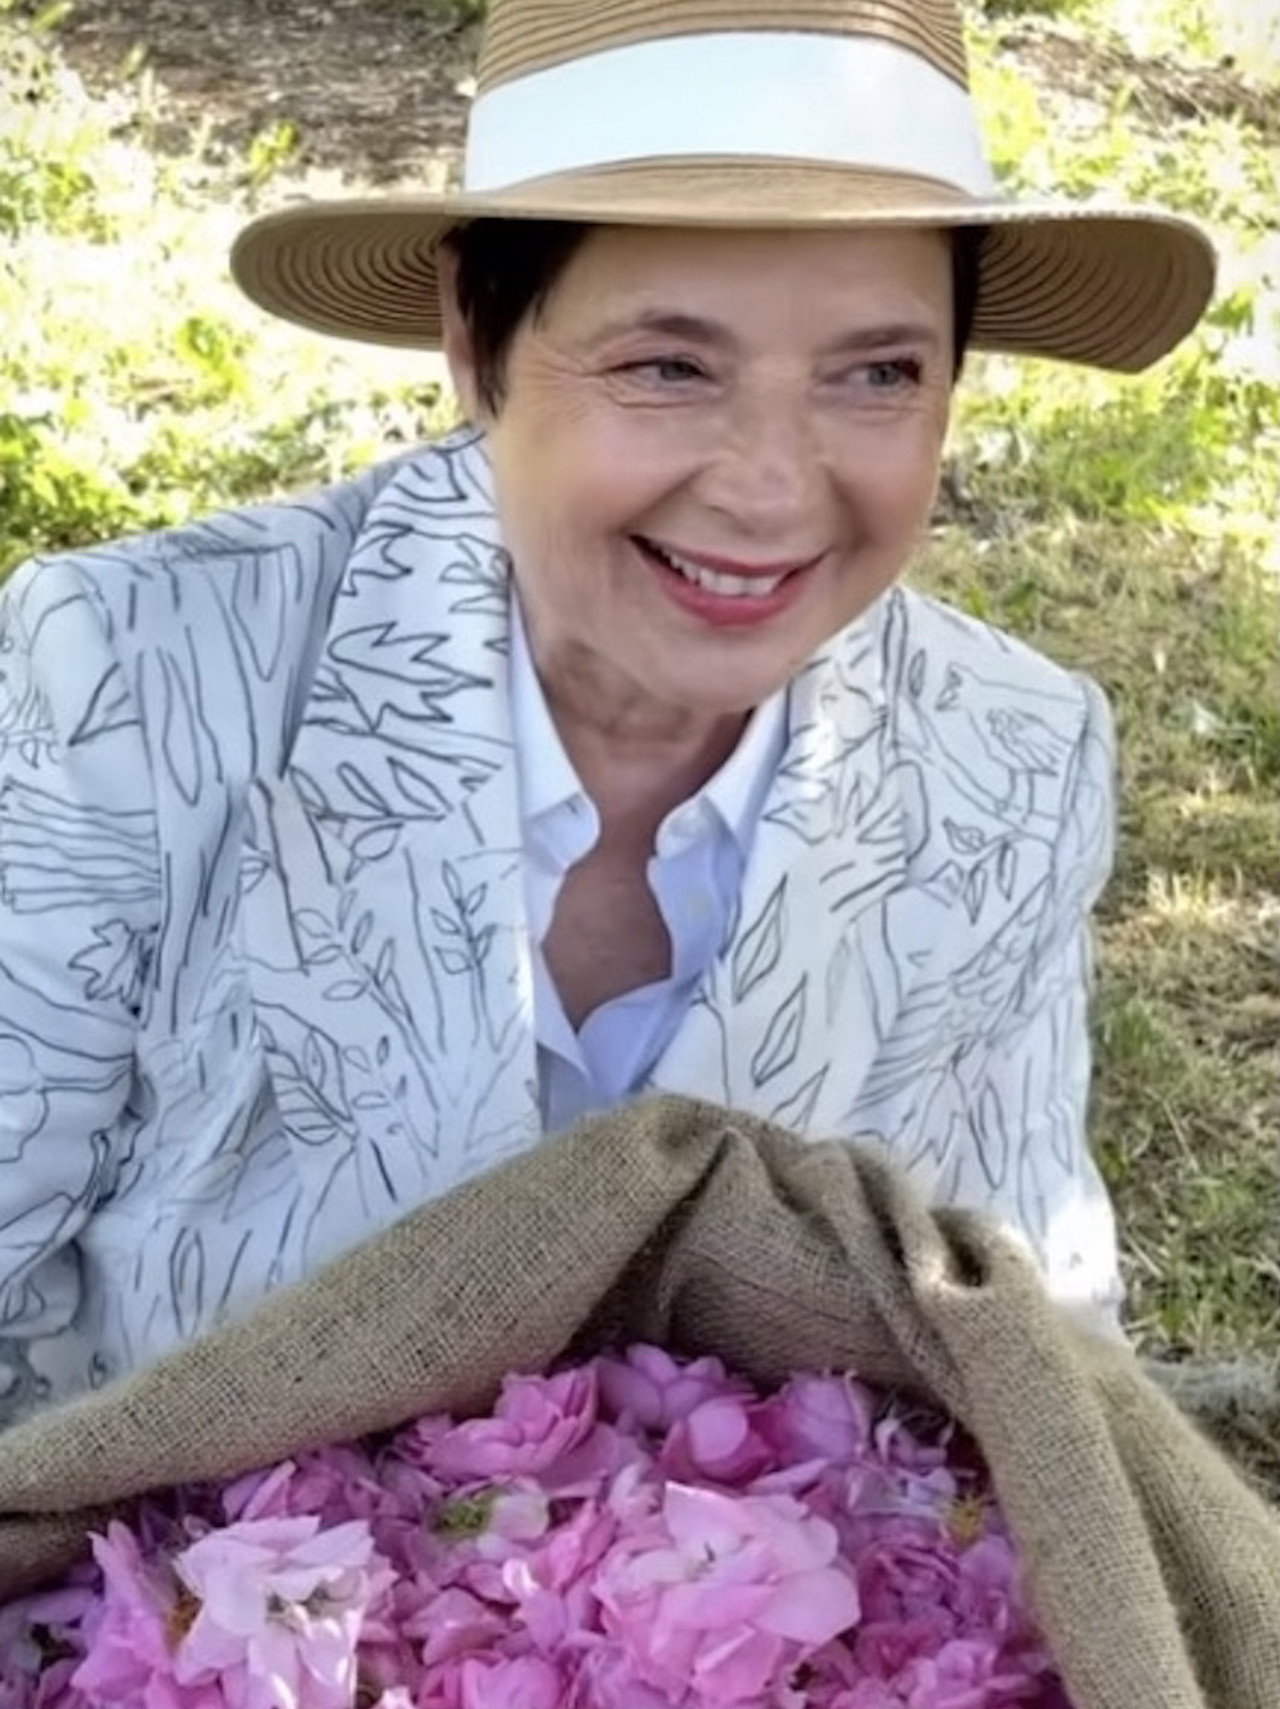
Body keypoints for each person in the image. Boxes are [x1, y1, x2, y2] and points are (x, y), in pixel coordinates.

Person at [0, 0, 1214, 1426]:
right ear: (475, 334)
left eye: (878, 373)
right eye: (666, 365)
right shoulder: (134, 678)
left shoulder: (1010, 753)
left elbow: (1019, 1338)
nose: (771, 489)